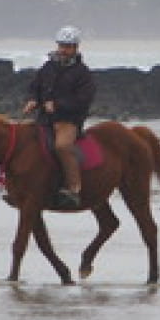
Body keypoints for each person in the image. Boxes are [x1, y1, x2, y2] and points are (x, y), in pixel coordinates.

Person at [24, 26, 96, 208]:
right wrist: (33, 99)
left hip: (69, 121)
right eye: (62, 46)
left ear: (76, 48)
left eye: (69, 46)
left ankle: (74, 189)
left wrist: (58, 105)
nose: (64, 50)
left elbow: (83, 100)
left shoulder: (82, 73)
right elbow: (35, 86)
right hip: (44, 120)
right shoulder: (48, 67)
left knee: (62, 147)